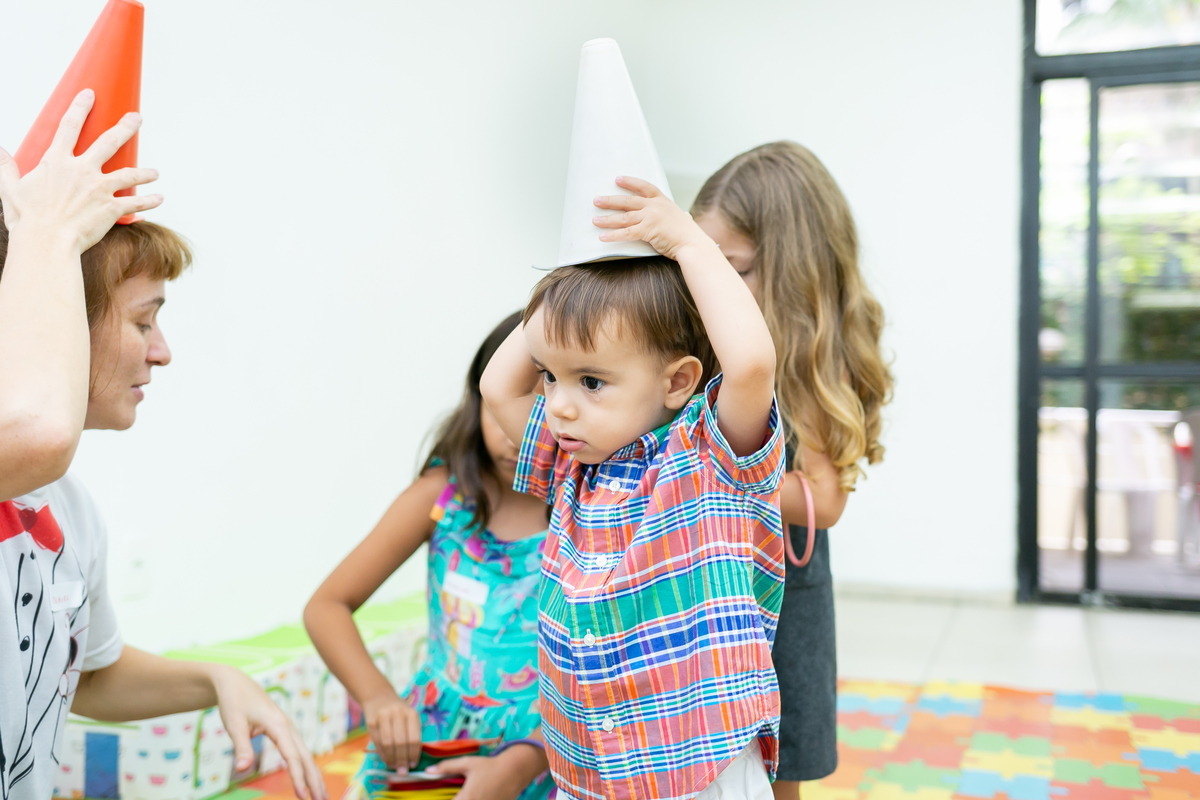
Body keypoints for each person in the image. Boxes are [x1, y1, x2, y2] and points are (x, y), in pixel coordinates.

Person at [0, 92, 326, 800]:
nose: (163, 352)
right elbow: (39, 433)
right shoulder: (36, 450)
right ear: (62, 320)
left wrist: (216, 678)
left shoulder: (67, 509)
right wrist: (48, 236)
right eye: (144, 321)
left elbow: (85, 671)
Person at [481, 175, 785, 800]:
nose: (560, 405)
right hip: (592, 766)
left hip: (696, 766)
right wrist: (572, 279)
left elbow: (752, 363)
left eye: (591, 381)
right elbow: (496, 386)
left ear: (678, 383)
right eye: (550, 376)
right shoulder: (573, 463)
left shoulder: (707, 456)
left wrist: (687, 242)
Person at [691, 141, 893, 800]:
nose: (710, 285)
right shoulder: (709, 337)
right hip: (703, 584)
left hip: (780, 596)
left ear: (791, 272)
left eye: (734, 269)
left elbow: (824, 503)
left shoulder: (807, 356)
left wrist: (713, 470)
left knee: (778, 766)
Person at [304, 311, 553, 800]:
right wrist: (377, 698)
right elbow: (326, 606)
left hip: (548, 757)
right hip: (432, 753)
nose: (510, 433)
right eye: (495, 408)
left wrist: (526, 761)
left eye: (533, 410)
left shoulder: (597, 519)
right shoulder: (442, 496)